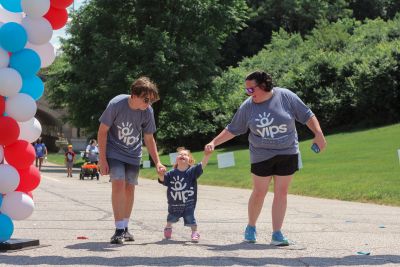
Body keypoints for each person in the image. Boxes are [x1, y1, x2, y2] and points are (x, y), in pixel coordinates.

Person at [205, 71, 327, 246]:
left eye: (250, 89)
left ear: (263, 85)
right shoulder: (248, 107)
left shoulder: (285, 96)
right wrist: (214, 142)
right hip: (261, 154)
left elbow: (307, 115)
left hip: (287, 152)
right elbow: (233, 129)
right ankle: (251, 227)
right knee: (260, 191)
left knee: (281, 192)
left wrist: (318, 133)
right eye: (246, 90)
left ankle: (277, 233)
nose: (248, 93)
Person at [97, 76, 166, 244]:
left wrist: (157, 162)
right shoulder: (116, 105)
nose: (148, 104)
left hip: (133, 153)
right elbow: (102, 131)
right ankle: (119, 229)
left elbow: (149, 138)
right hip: (115, 151)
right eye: (146, 100)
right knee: (118, 183)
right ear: (134, 95)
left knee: (129, 188)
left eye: (151, 101)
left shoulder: (147, 111)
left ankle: (126, 227)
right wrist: (102, 159)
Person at [158, 147, 212, 242]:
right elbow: (163, 180)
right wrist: (161, 174)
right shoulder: (171, 173)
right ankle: (168, 227)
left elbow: (202, 165)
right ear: (176, 159)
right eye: (180, 154)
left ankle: (194, 232)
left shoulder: (192, 171)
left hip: (188, 203)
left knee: (190, 218)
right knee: (171, 217)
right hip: (174, 203)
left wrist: (207, 155)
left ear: (190, 160)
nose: (182, 155)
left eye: (185, 155)